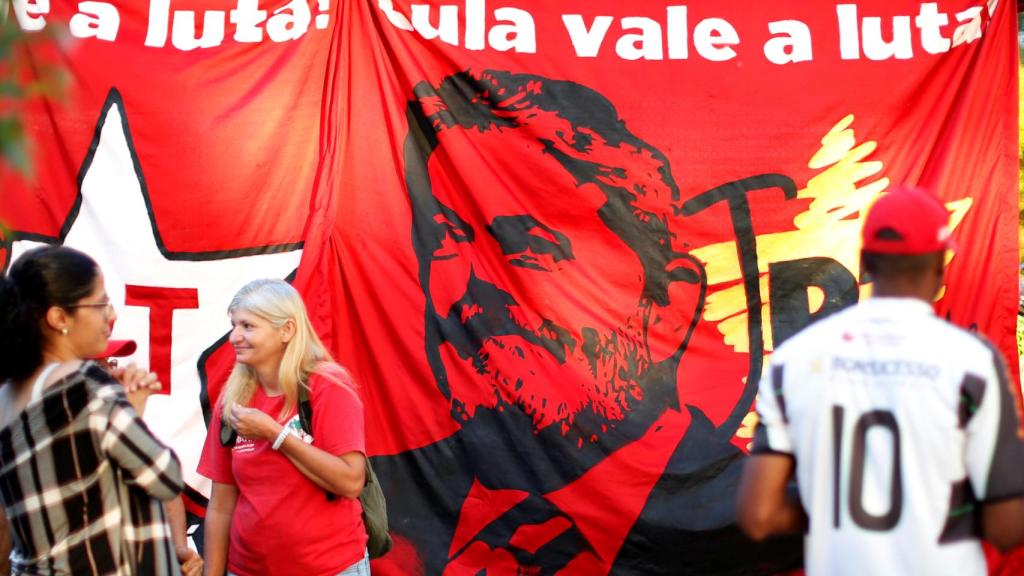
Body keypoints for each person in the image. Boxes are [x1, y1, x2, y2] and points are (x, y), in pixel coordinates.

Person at [375, 69, 800, 574]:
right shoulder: (380, 504)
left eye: (531, 244)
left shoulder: (768, 528)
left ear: (672, 303)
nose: (476, 282)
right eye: (446, 237)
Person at [736, 186, 1024, 575]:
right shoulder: (972, 360)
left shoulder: (795, 359)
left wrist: (833, 515)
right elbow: (1007, 526)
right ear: (940, 267)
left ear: (864, 261)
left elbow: (758, 515)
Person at [0, 245, 184, 574]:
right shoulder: (87, 388)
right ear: (59, 317)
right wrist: (123, 409)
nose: (111, 316)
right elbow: (164, 476)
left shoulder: (7, 394)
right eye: (101, 304)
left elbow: (82, 484)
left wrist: (128, 411)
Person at [198, 279, 368, 576]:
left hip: (329, 568)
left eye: (248, 326)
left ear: (287, 330)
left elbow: (351, 482)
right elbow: (221, 505)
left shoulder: (327, 388)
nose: (234, 337)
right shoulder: (233, 399)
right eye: (233, 325)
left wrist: (275, 434)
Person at [93, 338, 204, 576]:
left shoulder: (124, 421)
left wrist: (178, 548)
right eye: (103, 367)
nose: (115, 373)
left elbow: (169, 491)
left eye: (112, 363)